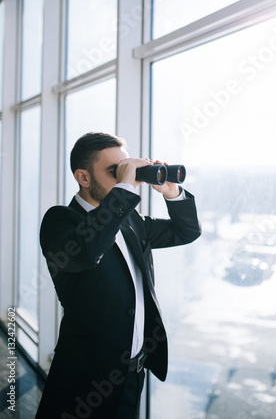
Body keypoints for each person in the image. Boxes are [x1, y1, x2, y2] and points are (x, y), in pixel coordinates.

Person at [35, 132, 201, 419]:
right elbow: (87, 251)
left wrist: (171, 192)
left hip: (134, 375)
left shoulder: (130, 222)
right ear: (83, 178)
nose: (128, 177)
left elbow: (185, 231)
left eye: (127, 168)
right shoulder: (60, 221)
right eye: (115, 171)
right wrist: (124, 188)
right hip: (86, 381)